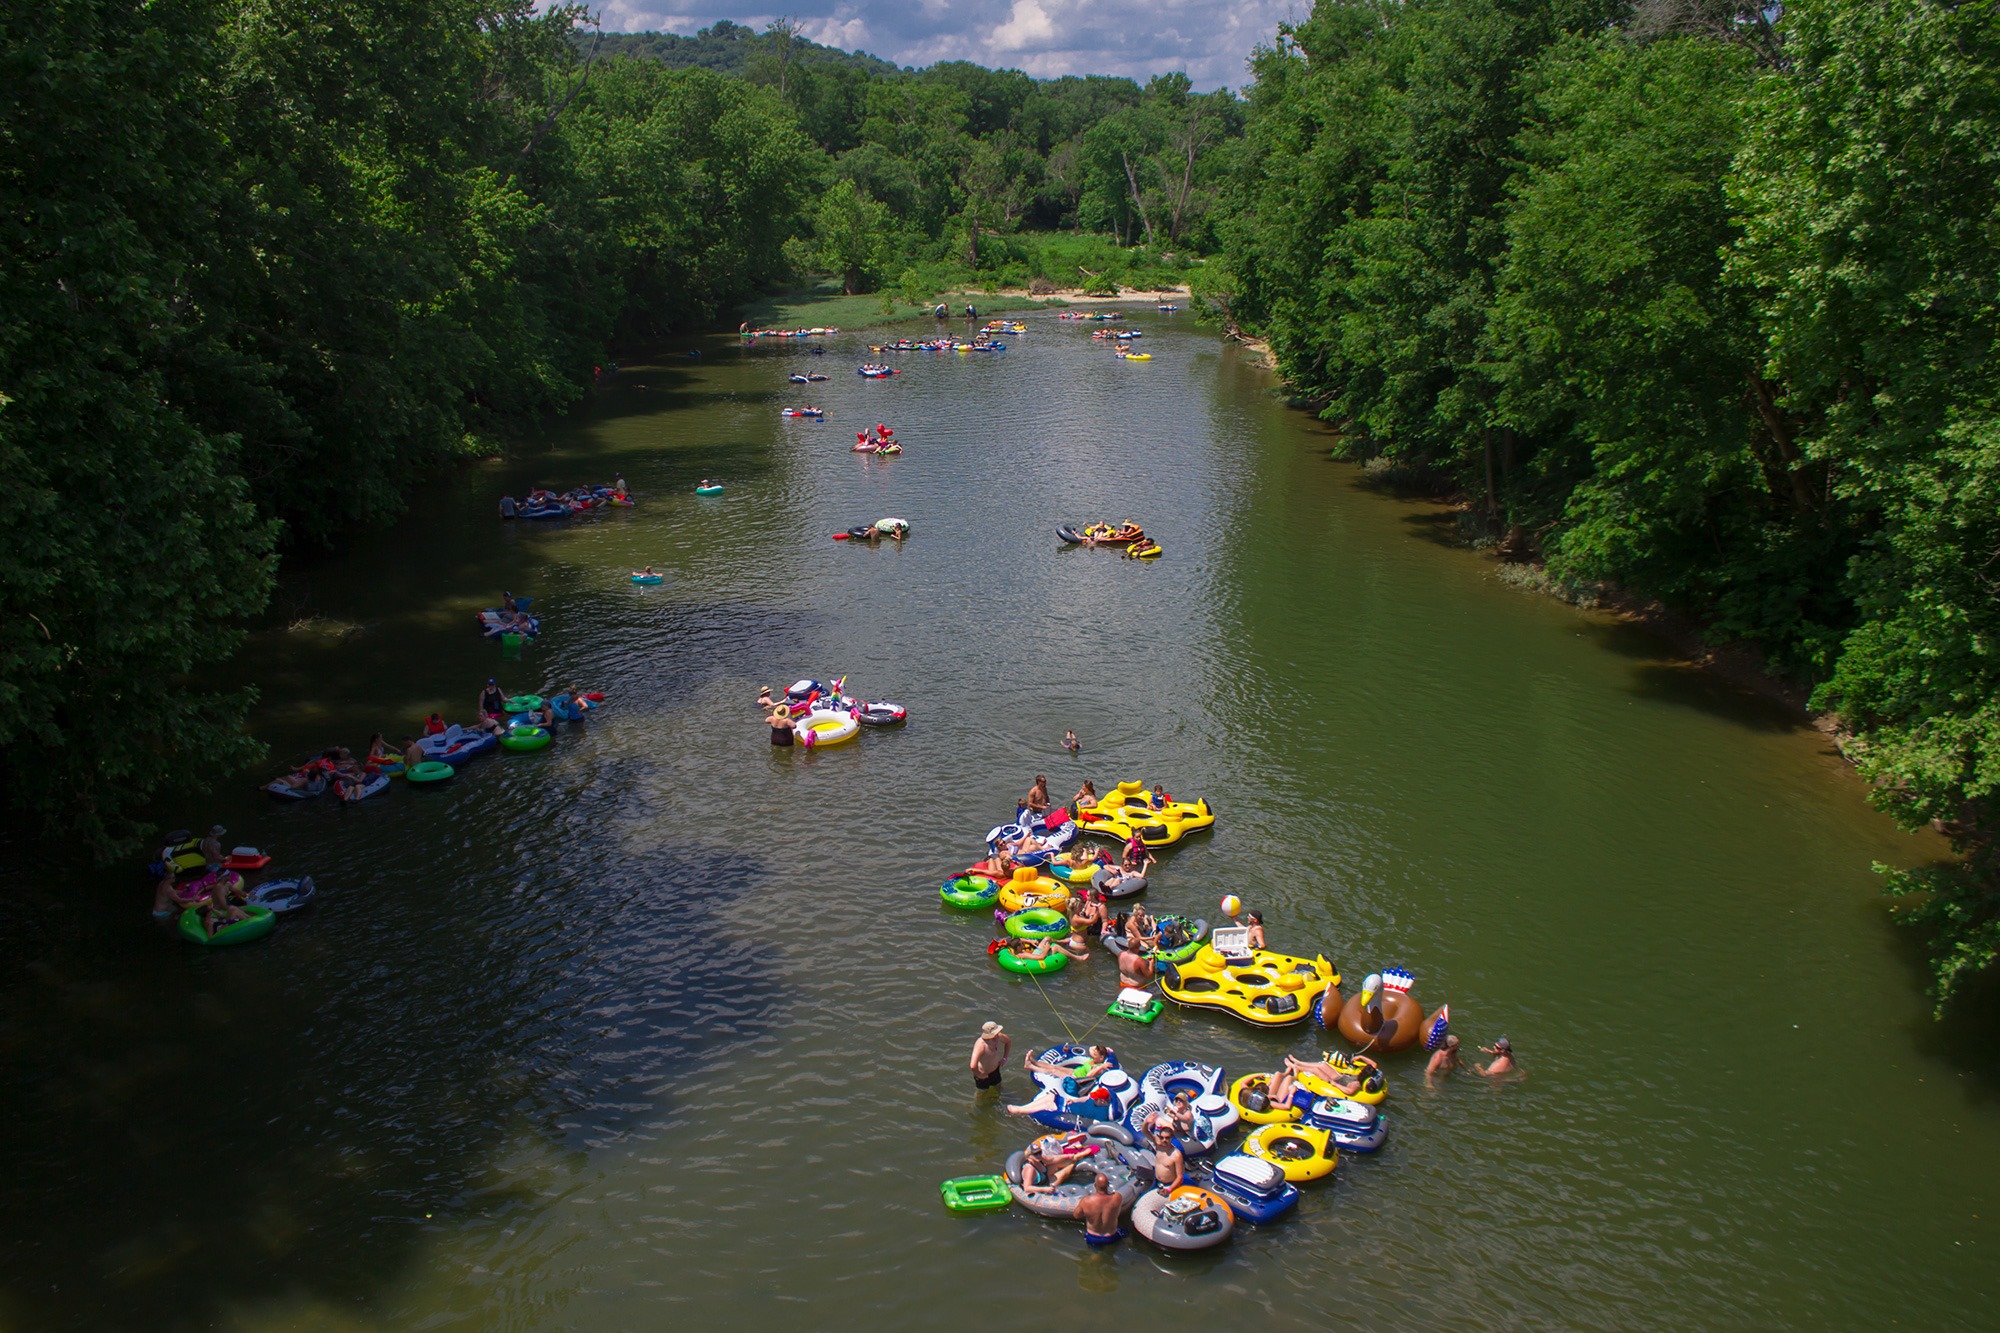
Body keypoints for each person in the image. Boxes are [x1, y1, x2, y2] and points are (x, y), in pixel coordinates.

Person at [1076, 1173, 1124, 1245]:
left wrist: (1089, 1213)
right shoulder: (1117, 1197)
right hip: (1111, 1237)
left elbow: (1076, 1215)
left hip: (1093, 1238)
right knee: (1125, 1231)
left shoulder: (1086, 1201)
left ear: (1095, 1185)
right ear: (1108, 1184)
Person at [971, 1021, 1010, 1090]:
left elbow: (1008, 1041)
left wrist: (1005, 1057)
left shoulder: (999, 1036)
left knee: (998, 1086)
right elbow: (973, 1066)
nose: (998, 1034)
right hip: (983, 1075)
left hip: (995, 1070)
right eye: (996, 1033)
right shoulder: (981, 1045)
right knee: (982, 1092)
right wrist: (979, 1075)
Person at [1147, 1127, 1185, 1195]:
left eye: (1167, 1138)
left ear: (1171, 1138)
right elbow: (1145, 1132)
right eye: (1162, 1138)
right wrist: (1146, 1122)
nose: (1164, 1140)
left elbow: (1180, 1177)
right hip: (1156, 1182)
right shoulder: (1158, 1147)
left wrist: (1169, 1189)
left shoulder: (1176, 1155)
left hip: (1169, 1185)